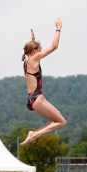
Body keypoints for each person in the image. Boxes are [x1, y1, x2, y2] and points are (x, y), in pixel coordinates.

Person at [20, 17, 66, 146]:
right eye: (39, 50)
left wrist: (33, 40)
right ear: (34, 52)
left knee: (54, 120)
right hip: (37, 98)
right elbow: (54, 46)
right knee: (62, 122)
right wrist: (58, 28)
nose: (41, 52)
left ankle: (33, 134)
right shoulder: (35, 59)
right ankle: (34, 135)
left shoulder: (26, 62)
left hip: (30, 99)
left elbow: (32, 52)